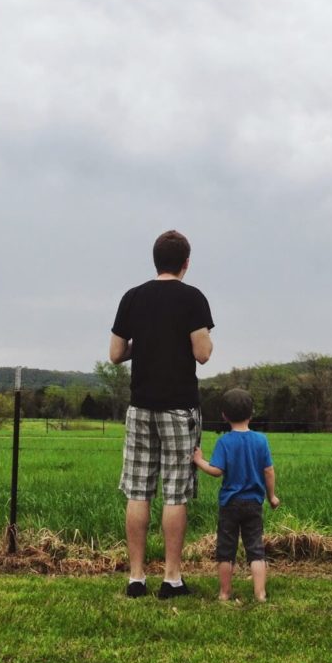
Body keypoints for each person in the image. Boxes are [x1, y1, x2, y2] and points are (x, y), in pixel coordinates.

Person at [110, 229, 213, 599]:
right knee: (175, 493)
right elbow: (202, 353)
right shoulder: (193, 298)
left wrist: (147, 342)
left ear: (155, 261)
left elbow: (116, 354)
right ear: (186, 263)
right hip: (179, 407)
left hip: (140, 408)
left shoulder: (132, 297)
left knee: (138, 492)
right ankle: (171, 578)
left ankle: (136, 577)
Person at [193, 388, 280, 602]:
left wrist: (199, 461)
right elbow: (268, 471)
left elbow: (217, 470)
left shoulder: (224, 442)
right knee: (256, 549)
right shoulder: (261, 440)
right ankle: (260, 594)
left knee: (226, 550)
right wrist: (272, 496)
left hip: (230, 504)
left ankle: (224, 593)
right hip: (254, 504)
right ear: (251, 413)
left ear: (224, 415)